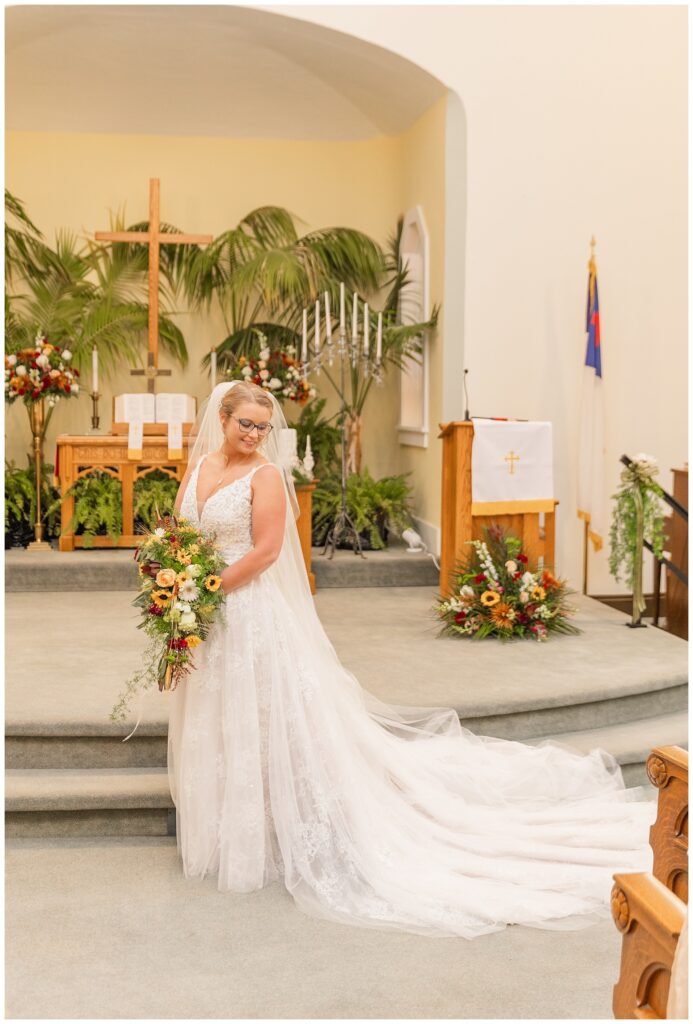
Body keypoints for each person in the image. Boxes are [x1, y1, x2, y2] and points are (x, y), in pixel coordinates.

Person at [168, 379, 657, 940]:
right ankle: (228, 823)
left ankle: (273, 824)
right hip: (204, 612)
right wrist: (170, 573)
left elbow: (267, 551)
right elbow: (183, 533)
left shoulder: (268, 476)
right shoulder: (201, 465)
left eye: (263, 426)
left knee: (263, 712)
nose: (254, 435)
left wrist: (204, 587)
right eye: (244, 424)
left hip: (247, 610)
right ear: (223, 419)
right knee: (220, 711)